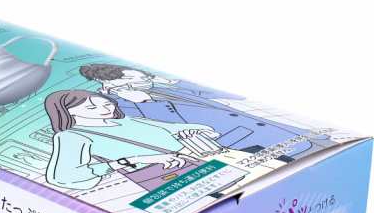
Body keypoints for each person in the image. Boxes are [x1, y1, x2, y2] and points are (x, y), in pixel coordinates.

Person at [79, 64, 330, 161]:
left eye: (145, 76)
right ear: (112, 82)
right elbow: (170, 131)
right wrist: (146, 101)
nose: (146, 80)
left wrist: (171, 83)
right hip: (245, 143)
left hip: (278, 129)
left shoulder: (156, 86)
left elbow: (217, 96)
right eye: (138, 77)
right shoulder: (116, 106)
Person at [44, 90, 217, 191]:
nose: (105, 109)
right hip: (160, 176)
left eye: (107, 104)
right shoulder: (71, 136)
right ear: (68, 111)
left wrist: (199, 129)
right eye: (91, 107)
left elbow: (171, 128)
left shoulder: (126, 120)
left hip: (194, 161)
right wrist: (135, 160)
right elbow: (63, 176)